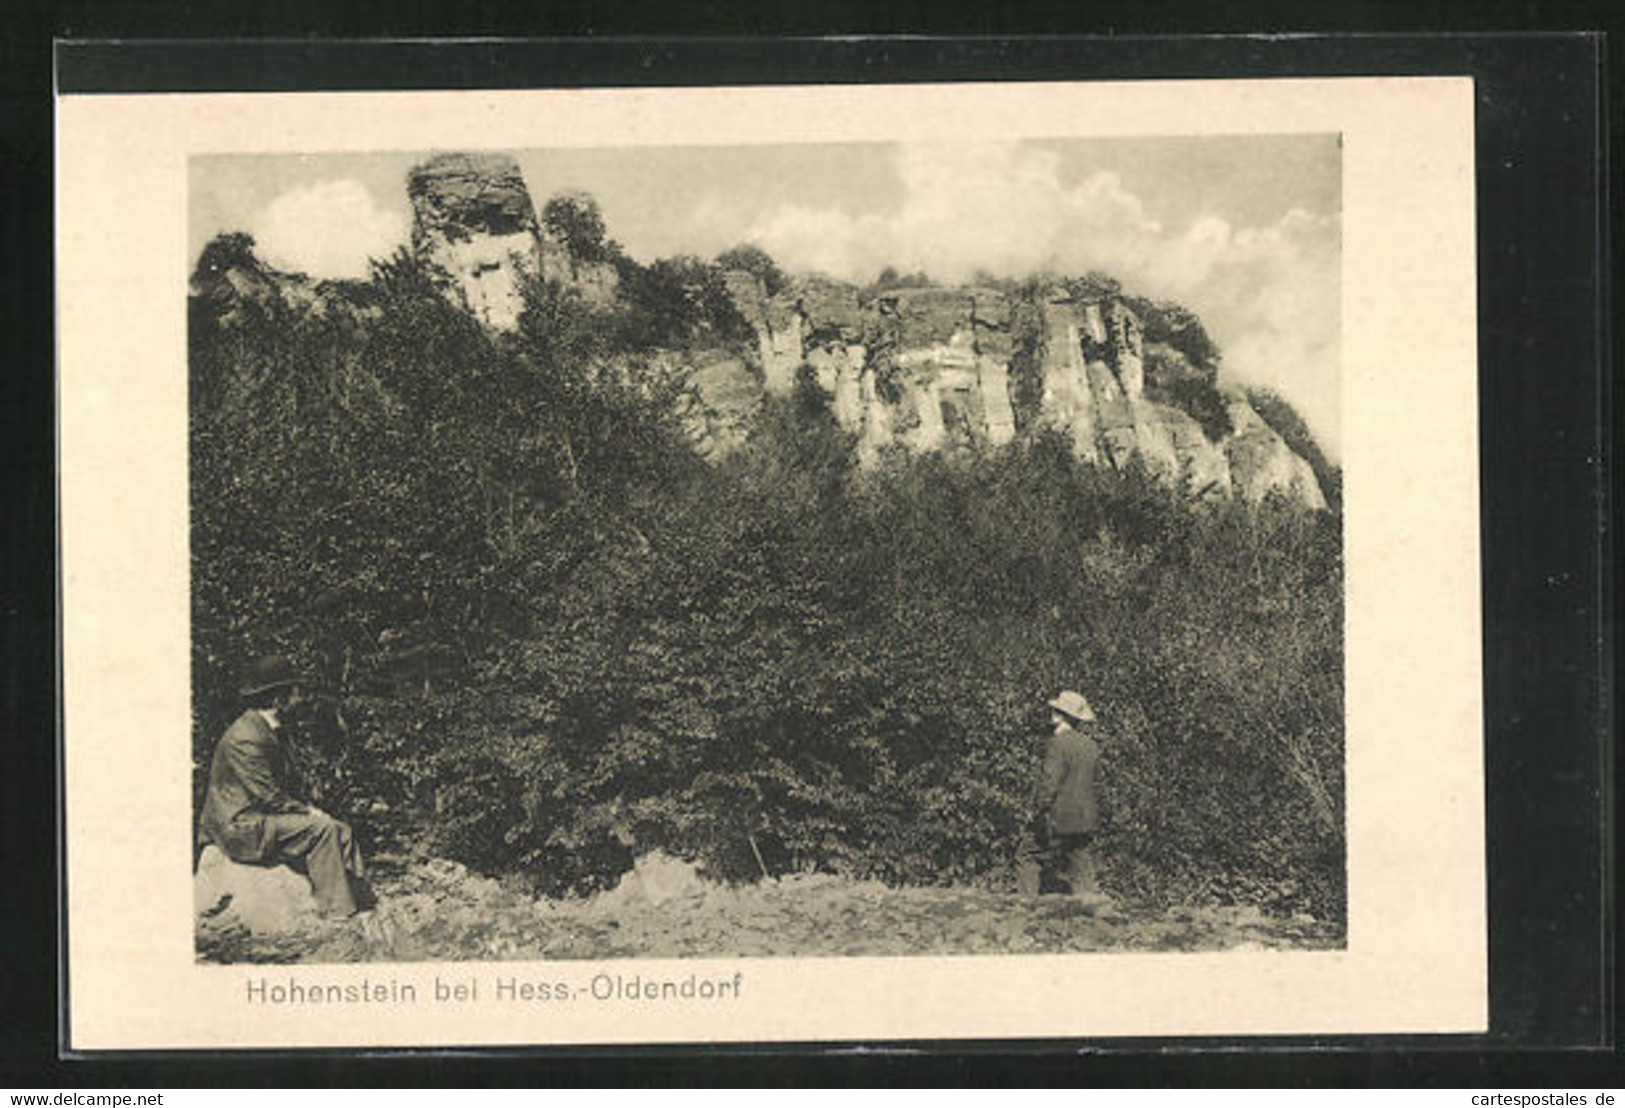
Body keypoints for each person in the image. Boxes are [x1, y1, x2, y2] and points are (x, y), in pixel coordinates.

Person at [197, 654, 369, 916]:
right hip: (240, 827)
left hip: (260, 819)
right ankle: (338, 912)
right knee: (322, 828)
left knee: (341, 829)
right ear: (278, 698)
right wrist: (309, 812)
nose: (299, 699)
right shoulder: (246, 736)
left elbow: (284, 787)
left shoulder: (272, 729)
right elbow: (268, 795)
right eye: (294, 692)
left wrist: (308, 808)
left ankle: (362, 899)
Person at [1016, 689, 1108, 907]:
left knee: (1027, 855)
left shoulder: (1057, 744)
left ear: (1060, 714)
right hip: (1085, 817)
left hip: (1059, 816)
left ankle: (1025, 906)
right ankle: (1088, 910)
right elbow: (1096, 783)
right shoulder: (1091, 745)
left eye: (1055, 710)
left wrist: (1037, 810)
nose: (1051, 713)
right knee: (1080, 859)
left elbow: (1049, 783)